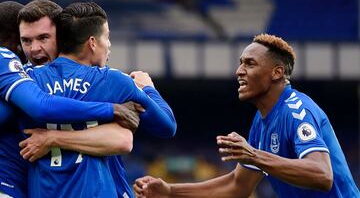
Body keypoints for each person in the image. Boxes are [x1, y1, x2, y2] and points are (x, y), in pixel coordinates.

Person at [133, 34, 360, 197]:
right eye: (240, 63)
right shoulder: (262, 122)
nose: (239, 71)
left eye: (250, 64)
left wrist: (254, 155)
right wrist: (170, 191)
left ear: (277, 72)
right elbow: (237, 185)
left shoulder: (297, 110)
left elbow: (322, 175)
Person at [20, 1, 176, 198]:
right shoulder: (113, 81)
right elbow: (167, 126)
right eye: (107, 38)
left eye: (43, 38)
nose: (109, 45)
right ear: (92, 43)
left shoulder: (26, 80)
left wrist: (51, 137)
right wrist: (148, 89)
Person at [0, 1, 141, 198]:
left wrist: (53, 138)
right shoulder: (20, 80)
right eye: (26, 41)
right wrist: (113, 108)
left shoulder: (94, 80)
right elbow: (41, 106)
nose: (33, 49)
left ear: (64, 36)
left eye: (44, 38)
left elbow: (122, 140)